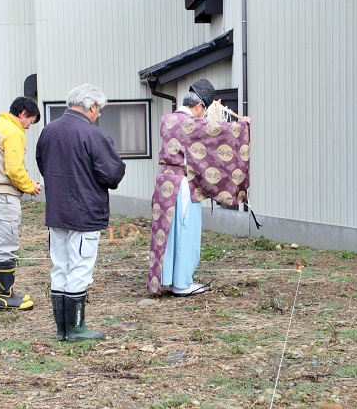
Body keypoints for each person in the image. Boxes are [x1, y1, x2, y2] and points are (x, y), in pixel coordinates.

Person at [36, 84, 126, 341]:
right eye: (100, 110)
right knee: (80, 268)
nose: (99, 115)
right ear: (92, 106)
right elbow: (111, 173)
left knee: (60, 267)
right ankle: (76, 328)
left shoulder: (48, 131)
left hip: (57, 208)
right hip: (85, 210)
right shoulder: (93, 134)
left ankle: (61, 330)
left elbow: (42, 164)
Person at [147, 78, 252, 297]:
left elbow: (201, 131)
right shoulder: (191, 123)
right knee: (186, 230)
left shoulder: (167, 119)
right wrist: (243, 125)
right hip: (182, 184)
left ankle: (167, 279)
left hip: (163, 182)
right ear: (197, 106)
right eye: (202, 111)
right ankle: (182, 283)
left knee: (165, 233)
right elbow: (222, 132)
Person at [0, 96, 42, 311]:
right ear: (23, 114)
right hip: (2, 195)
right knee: (6, 244)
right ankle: (5, 298)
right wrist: (29, 186)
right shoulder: (13, 131)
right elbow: (14, 168)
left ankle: (3, 295)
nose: (28, 127)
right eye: (30, 121)